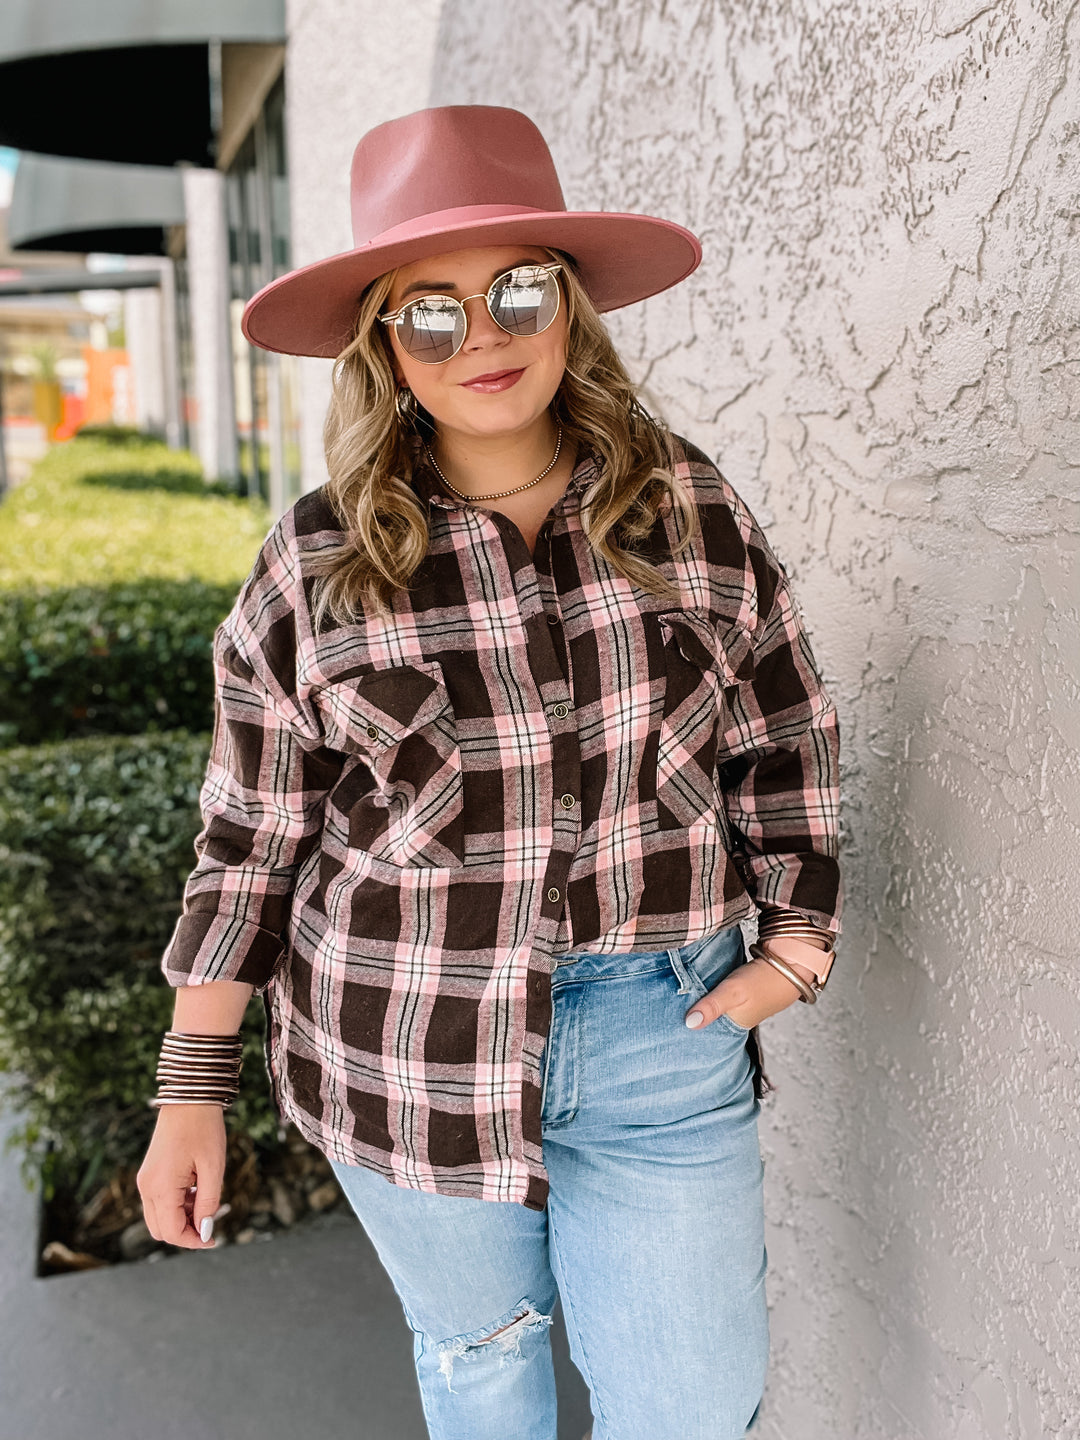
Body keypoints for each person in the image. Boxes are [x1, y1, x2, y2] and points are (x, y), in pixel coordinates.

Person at [137, 105, 842, 1440]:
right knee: (481, 1366)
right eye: (432, 310)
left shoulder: (687, 512)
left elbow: (784, 736)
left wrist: (801, 944)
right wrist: (191, 1093)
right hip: (399, 1033)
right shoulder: (319, 564)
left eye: (518, 291)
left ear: (569, 305)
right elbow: (248, 846)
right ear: (384, 344)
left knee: (692, 1405)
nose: (486, 337)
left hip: (664, 1029)